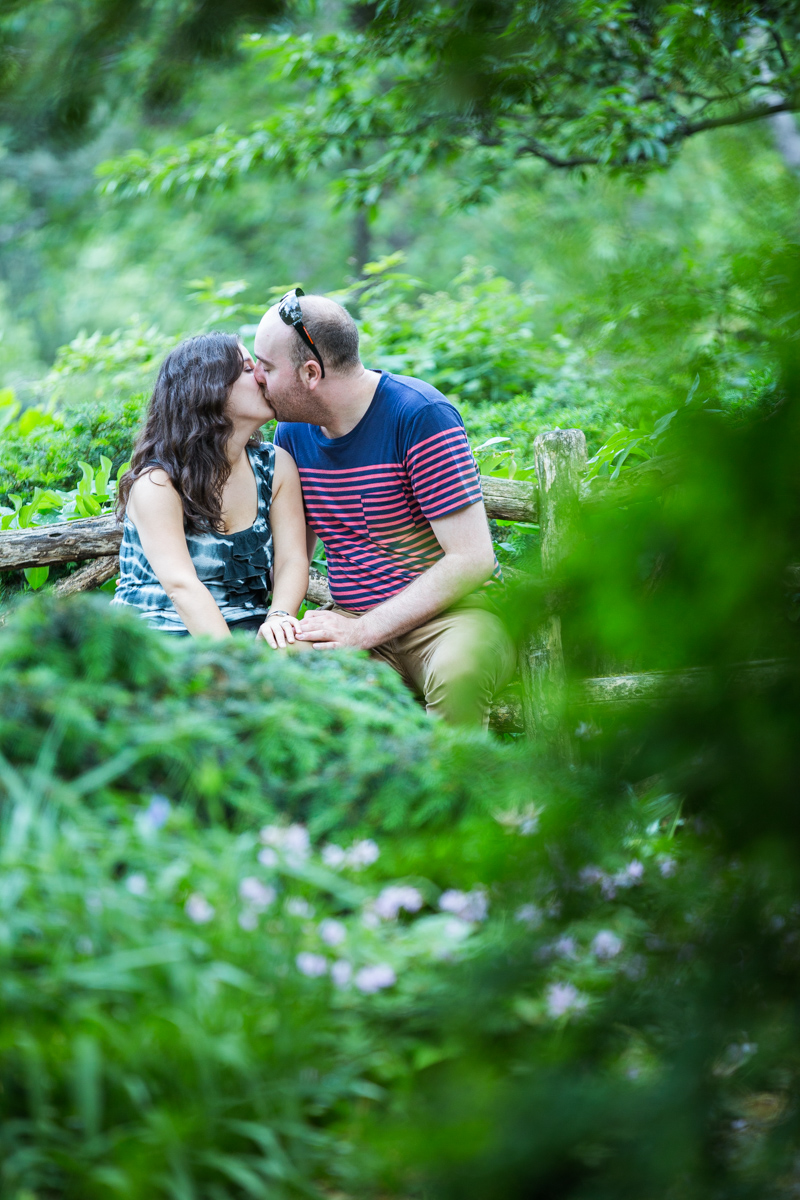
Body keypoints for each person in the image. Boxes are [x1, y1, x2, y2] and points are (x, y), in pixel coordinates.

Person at [252, 289, 516, 724]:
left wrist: (362, 631)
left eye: (266, 367)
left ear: (311, 373)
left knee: (459, 675)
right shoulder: (293, 435)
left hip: (452, 622)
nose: (258, 378)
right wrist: (282, 617)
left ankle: (463, 790)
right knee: (280, 667)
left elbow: (472, 560)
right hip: (354, 623)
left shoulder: (419, 415)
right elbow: (294, 553)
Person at [113, 332, 308, 647]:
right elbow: (182, 587)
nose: (261, 375)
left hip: (249, 627)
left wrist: (279, 616)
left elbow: (292, 560)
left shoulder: (275, 466)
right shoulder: (159, 483)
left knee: (301, 649)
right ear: (210, 390)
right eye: (247, 369)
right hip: (160, 637)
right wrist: (235, 662)